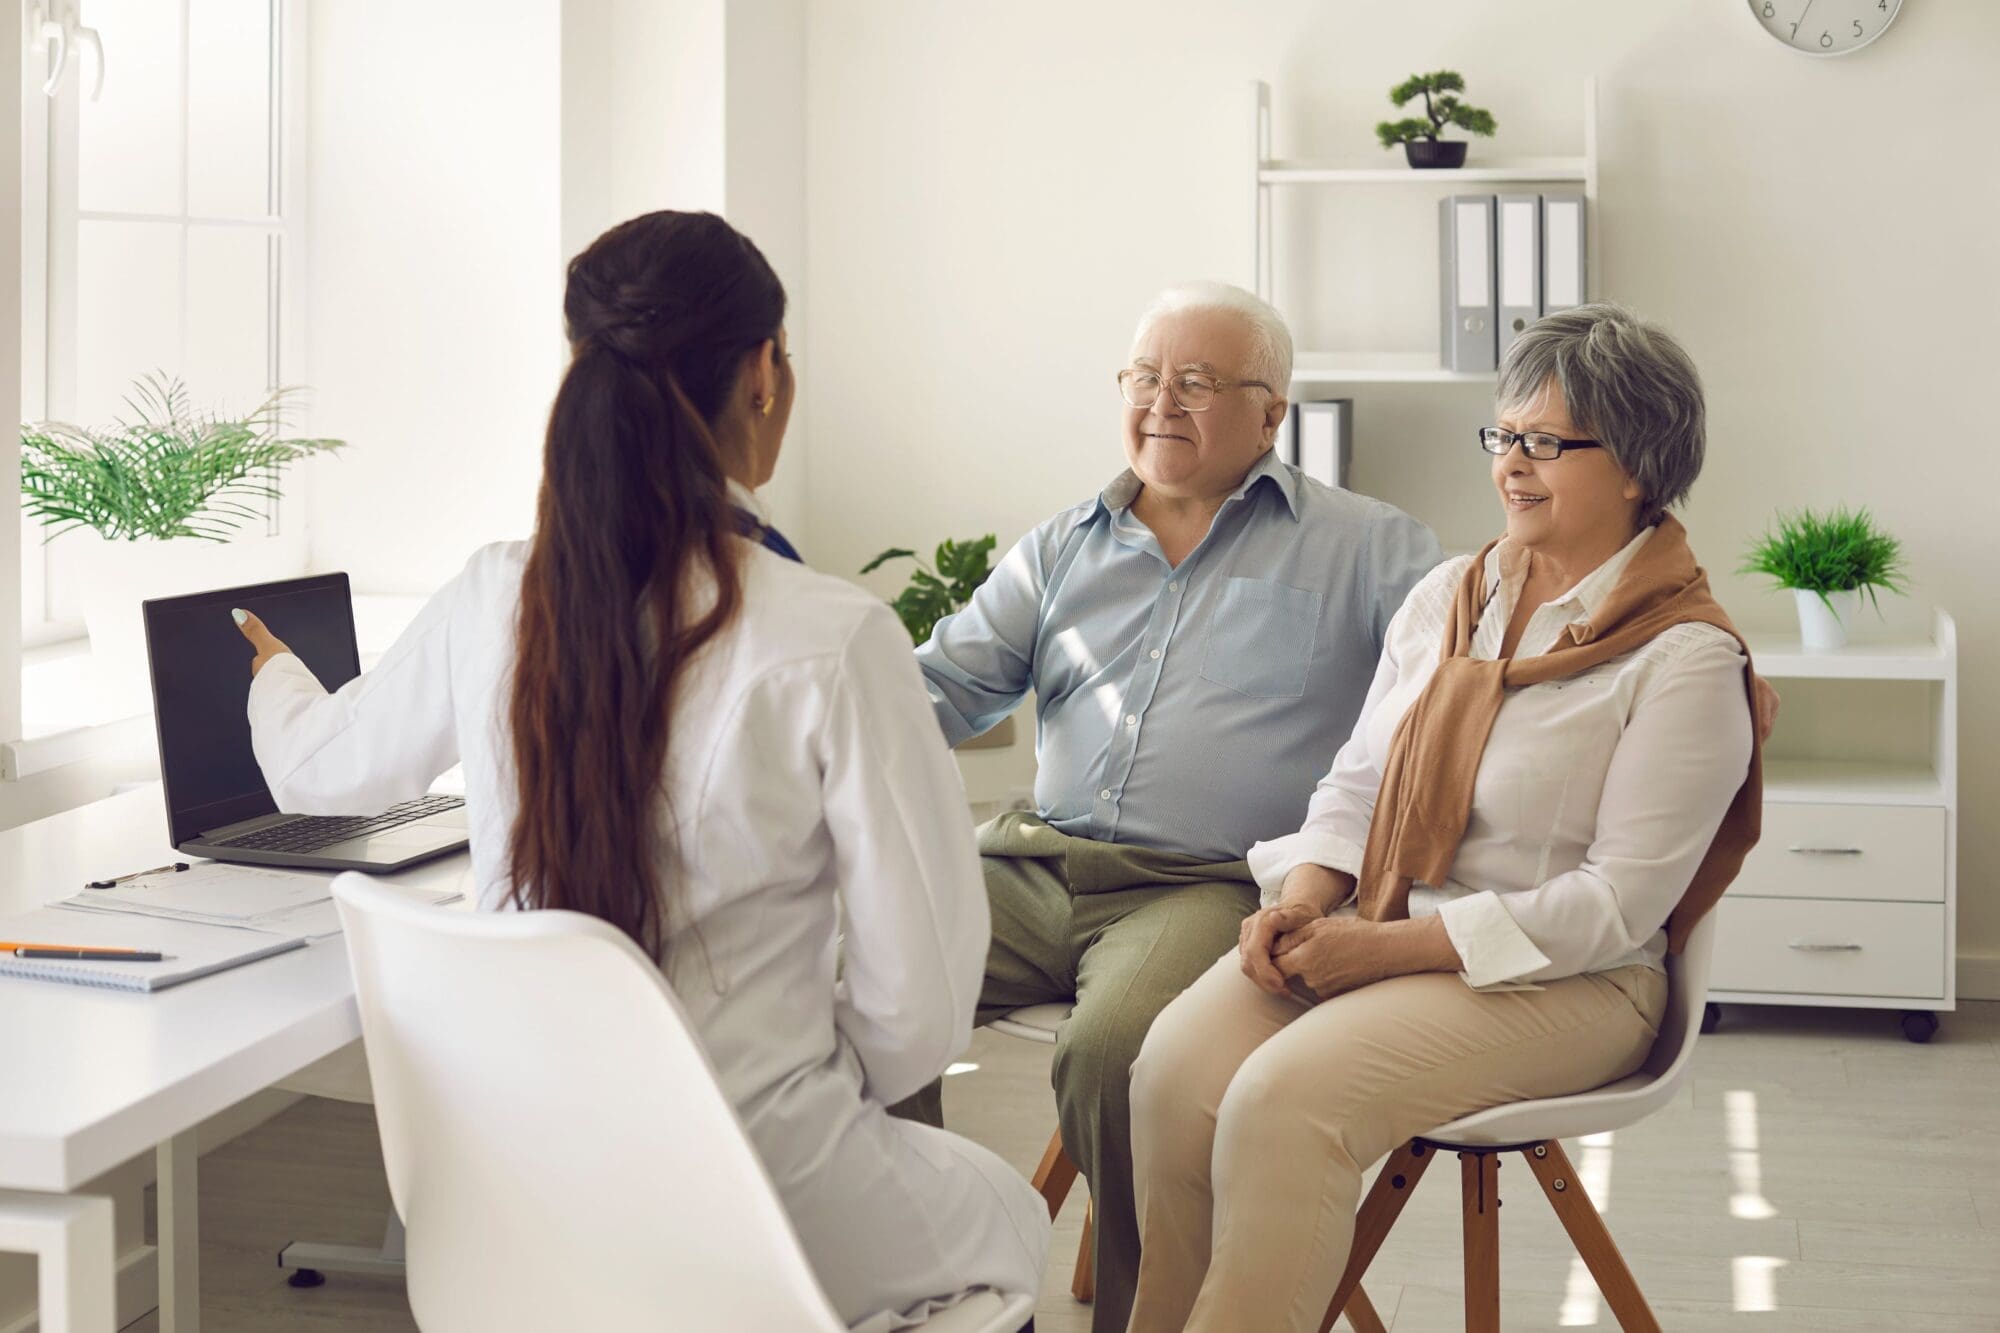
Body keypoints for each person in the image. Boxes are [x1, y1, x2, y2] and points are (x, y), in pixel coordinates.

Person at [233, 210, 1048, 1331]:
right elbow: (917, 1011)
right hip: (764, 1200)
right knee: (1013, 1226)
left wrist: (278, 673)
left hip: (515, 1219)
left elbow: (319, 771)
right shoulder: (831, 636)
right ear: (763, 375)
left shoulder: (490, 595)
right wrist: (799, 1075)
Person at [1124, 304, 1764, 1332]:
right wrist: (1302, 902)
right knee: (1170, 1070)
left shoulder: (1683, 657)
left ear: (1639, 467)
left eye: (1546, 442)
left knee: (1281, 1101)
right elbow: (1357, 784)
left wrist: (1378, 951)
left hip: (1570, 981)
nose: (1510, 464)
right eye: (1503, 436)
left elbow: (1612, 906)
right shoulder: (1449, 595)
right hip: (1385, 921)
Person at [899, 281, 1443, 1332]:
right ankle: (913, 1279)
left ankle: (1149, 1314)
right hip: (1032, 863)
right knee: (851, 968)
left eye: (1194, 382)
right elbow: (937, 687)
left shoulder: (1368, 546)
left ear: (1269, 412)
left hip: (1200, 885)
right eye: (1143, 377)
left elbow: (1482, 659)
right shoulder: (1064, 543)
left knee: (1118, 1053)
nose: (1159, 402)